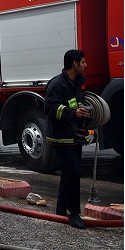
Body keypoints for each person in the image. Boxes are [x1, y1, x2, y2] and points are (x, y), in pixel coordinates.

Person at [44, 49, 90, 229]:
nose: (86, 65)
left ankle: (61, 210)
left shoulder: (75, 83)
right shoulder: (58, 84)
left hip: (73, 136)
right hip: (60, 137)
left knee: (67, 172)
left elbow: (74, 104)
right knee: (74, 172)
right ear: (75, 64)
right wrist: (73, 112)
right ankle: (74, 213)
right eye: (83, 62)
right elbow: (50, 108)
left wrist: (83, 112)